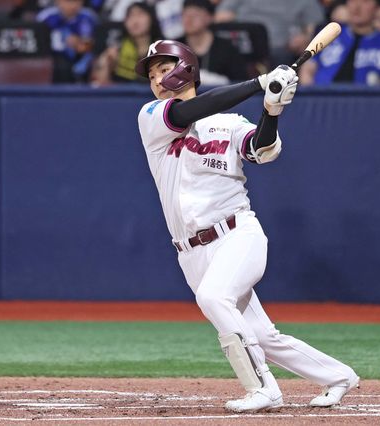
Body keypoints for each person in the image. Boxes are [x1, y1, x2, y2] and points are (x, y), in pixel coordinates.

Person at [135, 40, 359, 412]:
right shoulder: (152, 116)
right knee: (262, 337)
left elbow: (261, 149)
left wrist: (272, 110)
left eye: (163, 69)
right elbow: (192, 110)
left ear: (186, 69)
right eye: (152, 74)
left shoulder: (229, 124)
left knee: (214, 298)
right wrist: (259, 83)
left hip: (237, 235)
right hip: (190, 253)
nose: (157, 79)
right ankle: (338, 376)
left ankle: (263, 388)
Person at [299, 0, 380, 85]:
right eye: (353, 0)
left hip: (366, 99)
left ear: (377, 8)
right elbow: (308, 68)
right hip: (322, 97)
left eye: (365, 1)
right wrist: (311, 94)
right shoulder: (330, 34)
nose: (357, 7)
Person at [214, 0, 326, 66]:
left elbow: (315, 30)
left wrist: (305, 38)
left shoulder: (306, 2)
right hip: (242, 43)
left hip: (280, 48)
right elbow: (220, 17)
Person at [175, 0, 249, 85]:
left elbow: (241, 83)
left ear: (209, 18)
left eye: (195, 15)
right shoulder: (173, 47)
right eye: (185, 15)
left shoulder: (226, 48)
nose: (188, 19)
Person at [91, 2, 164, 85]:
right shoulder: (117, 48)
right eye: (130, 16)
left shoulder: (162, 49)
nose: (135, 20)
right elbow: (100, 84)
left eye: (140, 15)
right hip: (122, 92)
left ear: (151, 18)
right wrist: (105, 62)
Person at [36, 0, 98, 82]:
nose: (72, 6)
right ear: (58, 2)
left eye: (76, 1)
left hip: (81, 59)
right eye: (68, 1)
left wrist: (80, 44)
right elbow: (38, 42)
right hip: (54, 58)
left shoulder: (89, 17)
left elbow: (94, 43)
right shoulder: (46, 17)